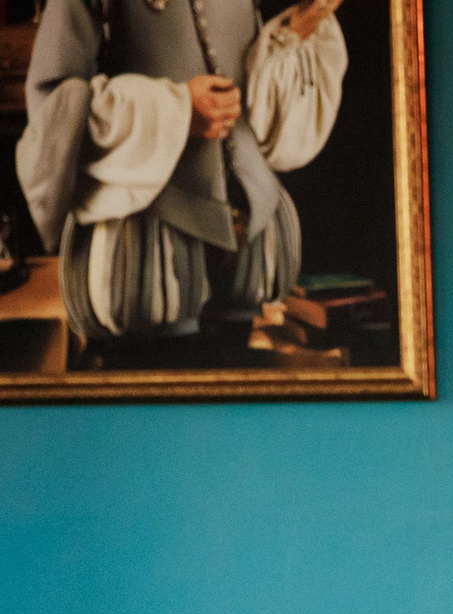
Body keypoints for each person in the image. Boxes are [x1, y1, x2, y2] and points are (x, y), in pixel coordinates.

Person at [16, 0, 349, 359]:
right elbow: (54, 104)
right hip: (146, 254)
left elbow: (257, 94)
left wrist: (300, 26)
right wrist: (174, 110)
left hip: (249, 240)